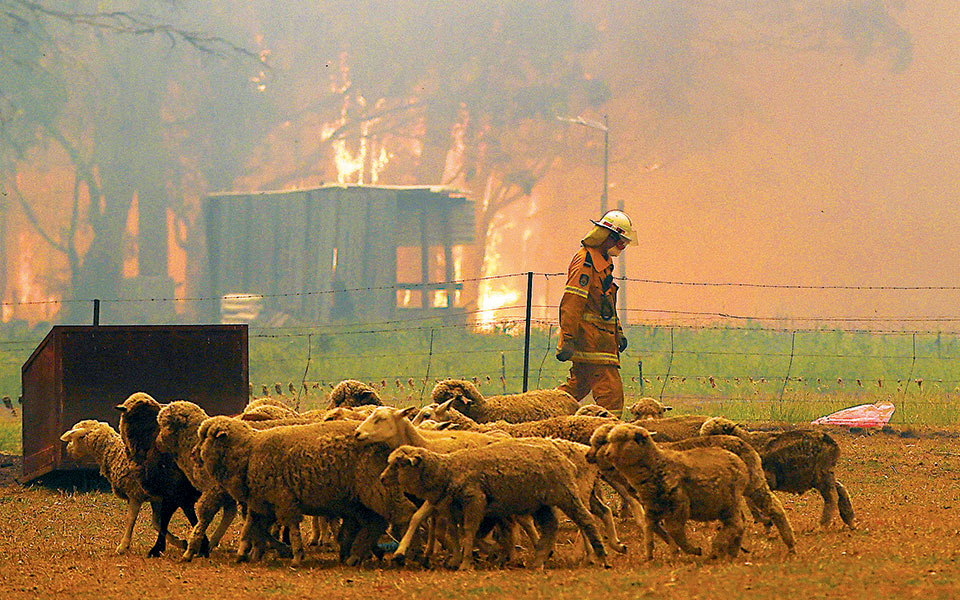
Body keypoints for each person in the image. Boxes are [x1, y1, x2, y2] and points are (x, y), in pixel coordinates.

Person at [555, 209, 637, 411]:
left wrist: (618, 332)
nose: (622, 248)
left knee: (576, 388)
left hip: (601, 340)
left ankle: (542, 411)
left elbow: (605, 305)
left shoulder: (603, 262)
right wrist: (568, 337)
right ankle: (610, 436)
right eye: (620, 243)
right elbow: (573, 301)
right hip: (591, 342)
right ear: (608, 237)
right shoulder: (586, 261)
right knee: (611, 394)